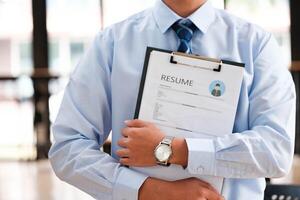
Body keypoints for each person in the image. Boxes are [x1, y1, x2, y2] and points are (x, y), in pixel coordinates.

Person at [48, 0, 296, 200]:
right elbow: (68, 148)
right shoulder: (111, 44)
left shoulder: (256, 44)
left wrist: (170, 149)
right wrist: (147, 190)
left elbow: (276, 150)